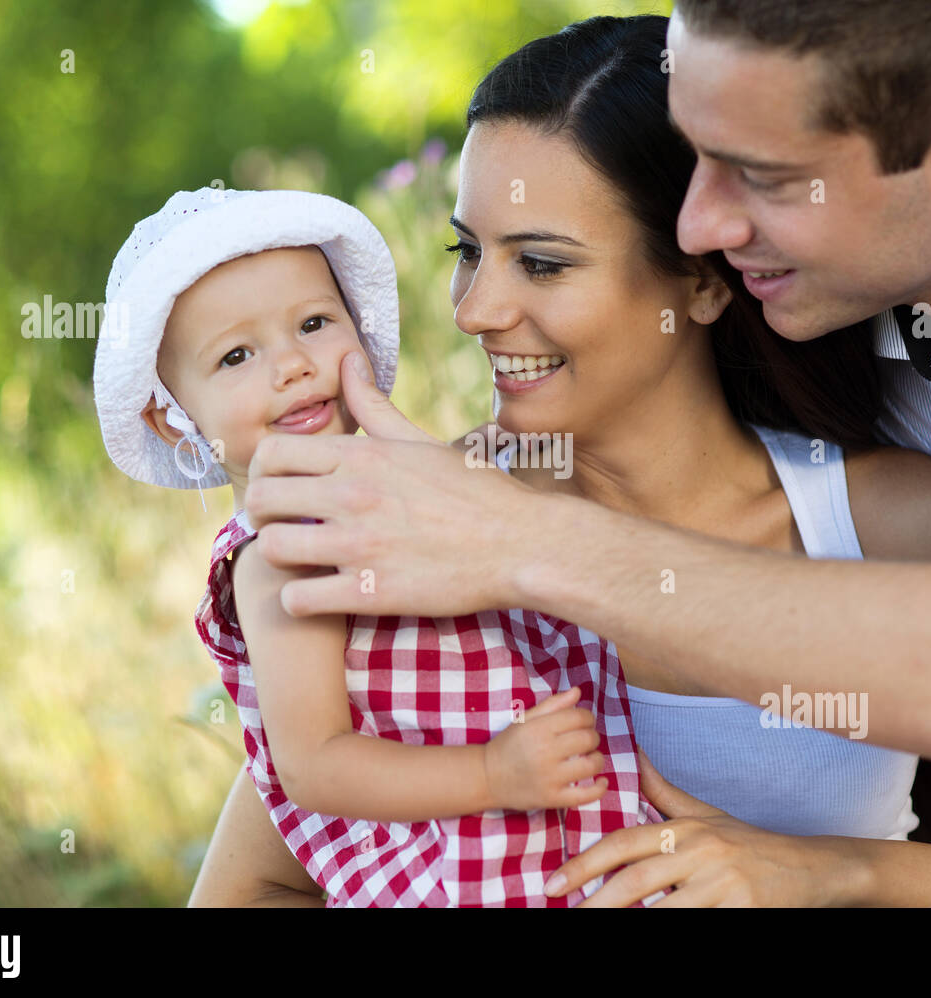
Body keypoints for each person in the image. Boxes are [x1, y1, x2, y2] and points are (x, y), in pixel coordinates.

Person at [195, 14, 931, 907]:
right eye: (466, 250)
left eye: (543, 263)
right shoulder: (414, 532)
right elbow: (264, 875)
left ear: (699, 277)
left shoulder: (894, 518)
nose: (474, 309)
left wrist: (820, 872)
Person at [94, 186, 664, 907]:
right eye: (236, 355)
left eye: (313, 323)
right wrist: (493, 773)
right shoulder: (281, 555)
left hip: (570, 852)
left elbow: (512, 498)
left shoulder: (413, 492)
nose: (293, 365)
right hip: (455, 875)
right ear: (173, 420)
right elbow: (314, 763)